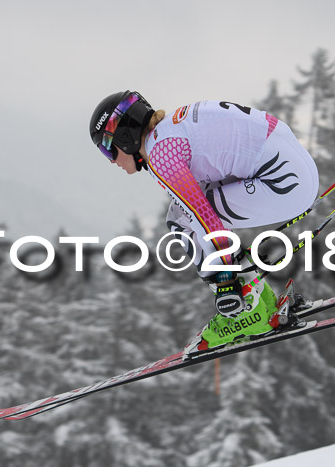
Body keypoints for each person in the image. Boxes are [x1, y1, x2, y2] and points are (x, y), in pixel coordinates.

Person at [88, 90, 319, 354]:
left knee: (182, 221)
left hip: (283, 181)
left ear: (124, 137)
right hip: (293, 170)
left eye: (108, 151)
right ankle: (259, 300)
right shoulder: (169, 129)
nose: (112, 161)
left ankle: (244, 313)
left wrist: (224, 284)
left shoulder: (161, 154)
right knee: (189, 214)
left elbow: (206, 220)